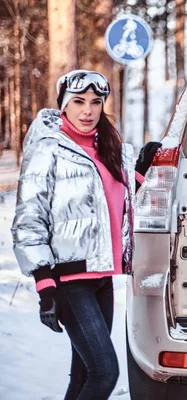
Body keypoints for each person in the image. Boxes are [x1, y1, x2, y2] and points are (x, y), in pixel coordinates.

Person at [11, 69, 139, 399]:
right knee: (105, 372)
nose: (88, 111)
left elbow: (120, 199)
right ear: (64, 105)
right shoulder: (47, 150)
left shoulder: (109, 148)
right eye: (79, 101)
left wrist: (145, 167)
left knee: (84, 373)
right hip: (68, 281)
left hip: (101, 277)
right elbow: (29, 221)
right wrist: (44, 285)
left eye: (96, 102)